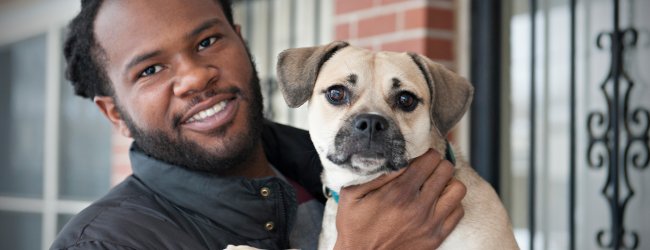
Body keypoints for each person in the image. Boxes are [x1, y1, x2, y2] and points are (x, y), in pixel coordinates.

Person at [51, 0, 467, 249]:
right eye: (150, 69)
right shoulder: (107, 243)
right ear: (116, 114)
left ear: (240, 39)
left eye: (207, 42)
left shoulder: (343, 170)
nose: (196, 77)